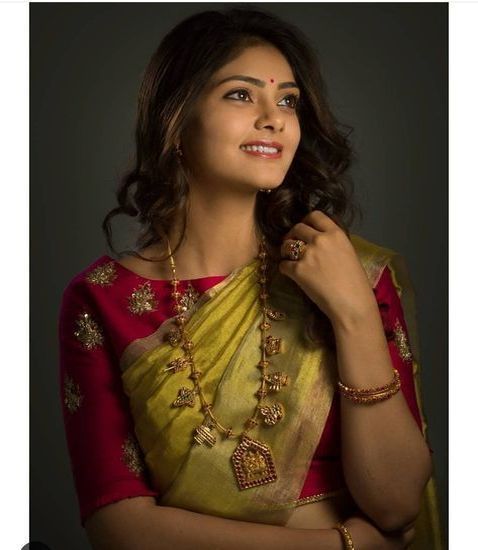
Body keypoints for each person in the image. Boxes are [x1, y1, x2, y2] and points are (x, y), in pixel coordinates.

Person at [58, 8, 443, 549]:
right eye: (241, 95)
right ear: (176, 120)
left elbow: (398, 500)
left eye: (288, 100)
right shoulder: (102, 300)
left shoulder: (348, 273)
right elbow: (120, 528)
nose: (275, 118)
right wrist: (340, 547)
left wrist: (354, 314)